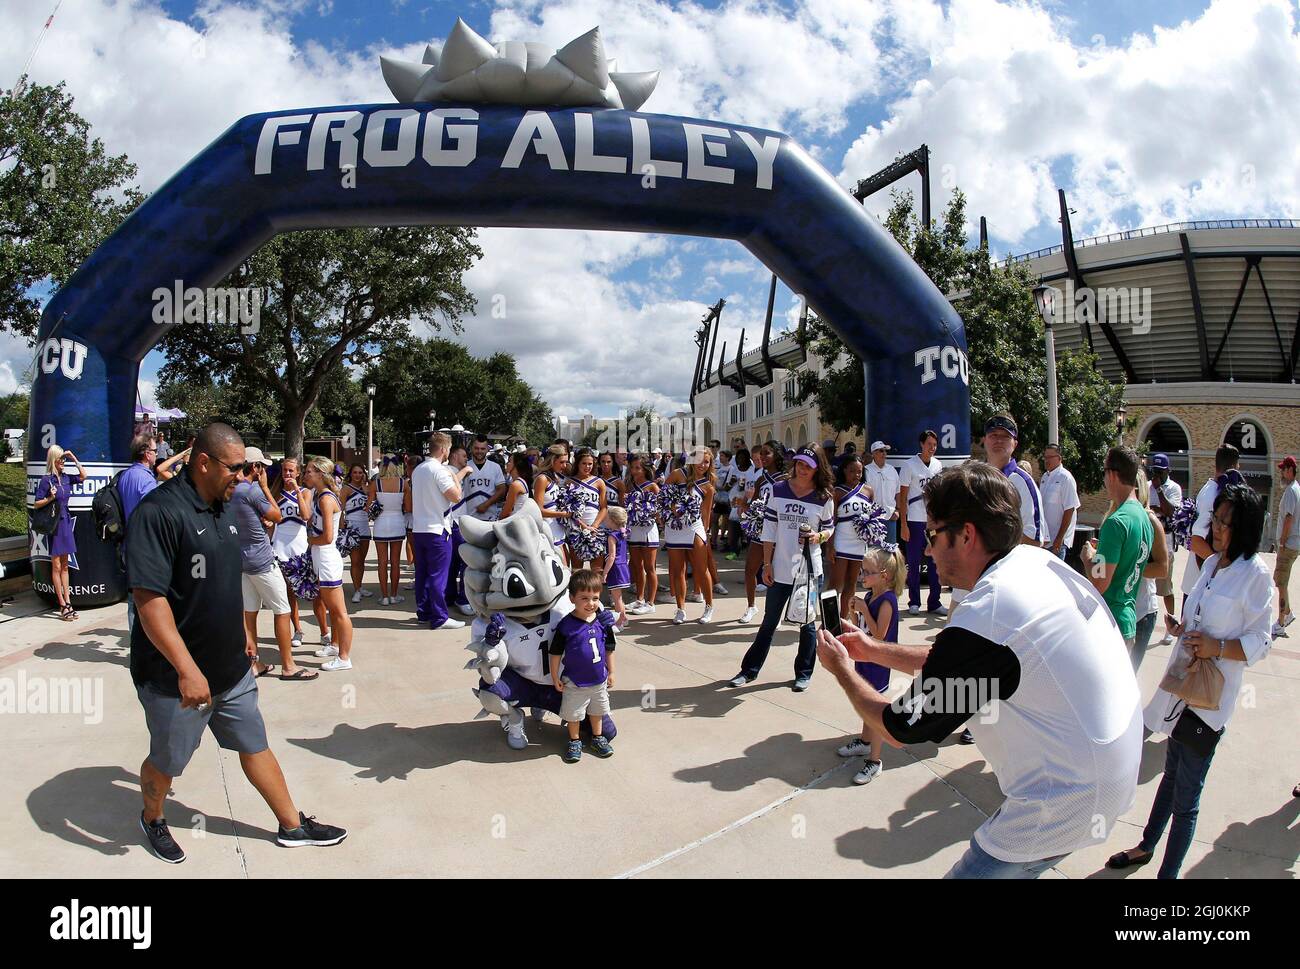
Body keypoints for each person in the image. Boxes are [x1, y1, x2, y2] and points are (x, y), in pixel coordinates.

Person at [816, 462, 1142, 878]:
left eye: (933, 534)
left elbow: (900, 730)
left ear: (966, 535)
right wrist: (873, 651)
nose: (928, 549)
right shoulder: (1031, 564)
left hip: (1067, 797)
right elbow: (964, 662)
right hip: (1108, 769)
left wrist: (843, 669)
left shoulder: (990, 611)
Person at [127, 423, 345, 863]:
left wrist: (246, 643)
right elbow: (150, 603)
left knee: (254, 744)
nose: (243, 475)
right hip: (177, 680)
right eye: (236, 467)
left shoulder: (228, 507)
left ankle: (292, 826)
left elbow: (227, 588)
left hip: (232, 669)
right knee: (168, 762)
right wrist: (187, 670)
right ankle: (152, 817)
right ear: (204, 462)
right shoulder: (159, 513)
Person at [1108, 484, 1273, 879]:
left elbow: (1262, 640)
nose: (1216, 528)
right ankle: (1146, 845)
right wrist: (1184, 628)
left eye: (1226, 523)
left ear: (1246, 527)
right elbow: (1201, 615)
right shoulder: (1213, 564)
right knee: (1170, 773)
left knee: (1187, 797)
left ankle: (1169, 874)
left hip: (1210, 700)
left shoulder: (1256, 575)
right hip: (1182, 685)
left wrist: (1217, 646)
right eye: (1215, 519)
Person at [729, 445, 835, 692]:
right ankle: (749, 670)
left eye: (808, 466)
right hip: (780, 568)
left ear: (818, 468)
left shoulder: (824, 497)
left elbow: (829, 530)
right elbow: (769, 530)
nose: (803, 469)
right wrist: (767, 564)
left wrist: (817, 537)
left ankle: (803, 673)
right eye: (799, 464)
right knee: (769, 622)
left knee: (807, 624)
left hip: (809, 571)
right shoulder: (778, 490)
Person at [233, 450, 316, 681]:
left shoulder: (231, 490)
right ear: (256, 467)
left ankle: (253, 663)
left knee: (249, 613)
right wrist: (266, 488)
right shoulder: (253, 491)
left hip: (242, 559)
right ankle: (288, 666)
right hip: (261, 559)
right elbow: (277, 515)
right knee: (282, 610)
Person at [836, 544, 905, 785]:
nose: (862, 576)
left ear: (884, 575)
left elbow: (879, 636)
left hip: (878, 662)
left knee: (876, 713)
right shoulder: (869, 596)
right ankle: (864, 744)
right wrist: (855, 613)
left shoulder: (887, 601)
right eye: (863, 571)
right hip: (865, 659)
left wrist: (864, 609)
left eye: (867, 572)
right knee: (865, 704)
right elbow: (862, 628)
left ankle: (875, 761)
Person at [1082, 446, 1153, 655]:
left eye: (1104, 472)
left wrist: (1088, 558)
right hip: (1128, 619)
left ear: (1112, 474)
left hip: (1110, 621)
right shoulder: (1142, 515)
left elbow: (1099, 583)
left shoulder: (1115, 522)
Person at [549, 569, 616, 763]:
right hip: (575, 681)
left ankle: (597, 737)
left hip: (599, 680)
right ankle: (574, 740)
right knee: (574, 714)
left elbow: (609, 649)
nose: (591, 603)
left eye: (595, 598)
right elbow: (555, 654)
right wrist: (555, 677)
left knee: (598, 712)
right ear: (572, 598)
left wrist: (611, 671)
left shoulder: (602, 623)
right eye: (584, 598)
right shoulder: (566, 626)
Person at [411, 432, 472, 630]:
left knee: (422, 574)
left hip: (419, 528)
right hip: (437, 529)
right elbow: (456, 496)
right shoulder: (440, 470)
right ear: (445, 450)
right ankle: (439, 617)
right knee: (439, 576)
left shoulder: (418, 469)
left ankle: (424, 612)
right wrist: (456, 477)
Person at [270, 458, 330, 651]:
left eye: (291, 471)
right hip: (281, 547)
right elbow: (270, 520)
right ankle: (298, 630)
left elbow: (305, 516)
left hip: (301, 547)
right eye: (285, 471)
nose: (287, 474)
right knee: (289, 594)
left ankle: (324, 632)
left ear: (298, 473)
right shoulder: (275, 494)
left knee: (315, 593)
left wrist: (296, 490)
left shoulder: (306, 492)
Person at [302, 455, 355, 671]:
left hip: (326, 555)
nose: (305, 474)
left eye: (309, 471)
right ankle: (334, 645)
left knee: (339, 610)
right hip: (321, 556)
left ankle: (344, 657)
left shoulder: (325, 498)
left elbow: (328, 536)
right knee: (331, 609)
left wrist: (309, 540)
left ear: (320, 474)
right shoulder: (319, 495)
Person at [1182, 444, 1240, 606]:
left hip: (1199, 584)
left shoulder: (1209, 489)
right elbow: (1196, 541)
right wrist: (1223, 571)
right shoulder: (1214, 495)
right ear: (1235, 467)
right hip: (1200, 587)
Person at [33, 444, 87, 621]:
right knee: (56, 565)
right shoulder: (46, 480)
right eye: (60, 459)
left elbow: (84, 476)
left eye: (64, 459)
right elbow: (37, 503)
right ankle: (62, 604)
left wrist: (74, 458)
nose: (63, 462)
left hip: (66, 522)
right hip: (55, 524)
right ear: (53, 460)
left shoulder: (65, 478)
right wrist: (51, 497)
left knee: (65, 565)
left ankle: (69, 602)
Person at [662, 446, 715, 624]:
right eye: (699, 460)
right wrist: (672, 508)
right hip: (675, 526)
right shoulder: (678, 474)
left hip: (694, 527)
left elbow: (706, 514)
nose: (702, 465)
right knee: (678, 570)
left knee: (701, 569)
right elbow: (663, 497)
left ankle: (709, 607)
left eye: (706, 462)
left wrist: (706, 535)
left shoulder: (708, 487)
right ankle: (680, 609)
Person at [897, 430, 945, 616]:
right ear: (921, 444)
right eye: (929, 444)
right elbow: (903, 498)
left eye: (934, 445)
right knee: (914, 562)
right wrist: (903, 524)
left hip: (932, 521)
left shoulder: (938, 465)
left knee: (935, 560)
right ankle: (914, 601)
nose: (932, 448)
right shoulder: (909, 465)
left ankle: (934, 601)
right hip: (914, 520)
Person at [120, 432, 164, 633]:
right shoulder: (146, 480)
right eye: (154, 451)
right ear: (146, 454)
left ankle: (134, 641)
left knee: (133, 599)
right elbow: (153, 515)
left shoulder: (126, 475)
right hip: (146, 547)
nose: (156, 454)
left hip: (129, 543)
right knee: (150, 600)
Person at [981, 414, 1045, 546]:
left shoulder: (1022, 482)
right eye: (993, 435)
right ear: (984, 440)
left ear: (1014, 444)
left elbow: (1035, 540)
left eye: (1005, 436)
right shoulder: (975, 480)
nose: (999, 440)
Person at [1129, 470, 1171, 671]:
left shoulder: (1150, 521)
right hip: (1123, 608)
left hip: (1142, 612)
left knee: (1128, 675)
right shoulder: (1118, 516)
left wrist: (1129, 565)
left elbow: (1163, 568)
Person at [829, 452, 875, 624]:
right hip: (841, 542)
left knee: (851, 583)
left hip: (858, 544)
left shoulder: (869, 491)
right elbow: (831, 521)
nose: (856, 475)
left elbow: (872, 517)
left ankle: (843, 618)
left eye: (859, 471)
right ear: (844, 471)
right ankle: (830, 618)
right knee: (835, 584)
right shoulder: (837, 492)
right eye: (852, 471)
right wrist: (830, 546)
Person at [1147, 453, 1183, 643]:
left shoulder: (1173, 488)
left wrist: (1160, 491)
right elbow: (1146, 508)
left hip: (1166, 542)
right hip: (1148, 539)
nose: (1157, 475)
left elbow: (1170, 512)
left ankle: (1171, 625)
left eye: (1161, 472)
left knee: (1165, 586)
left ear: (1168, 471)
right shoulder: (1146, 486)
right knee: (1145, 582)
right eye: (1155, 471)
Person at [624, 453, 661, 615]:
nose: (634, 471)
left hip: (648, 530)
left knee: (649, 567)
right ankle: (639, 599)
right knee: (636, 566)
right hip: (634, 530)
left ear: (645, 469)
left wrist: (653, 514)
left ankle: (651, 602)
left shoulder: (652, 486)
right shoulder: (629, 486)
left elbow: (661, 508)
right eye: (632, 468)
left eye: (638, 468)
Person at [367, 455, 407, 605]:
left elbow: (368, 507)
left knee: (382, 562)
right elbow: (408, 507)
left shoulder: (375, 483)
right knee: (395, 562)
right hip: (397, 522)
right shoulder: (404, 484)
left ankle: (384, 596)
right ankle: (394, 595)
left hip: (381, 524)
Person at [443, 444, 475, 617]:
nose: (466, 459)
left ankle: (452, 596)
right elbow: (450, 482)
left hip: (459, 521)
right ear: (454, 455)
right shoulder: (447, 470)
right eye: (463, 456)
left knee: (457, 562)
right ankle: (461, 598)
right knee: (464, 561)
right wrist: (465, 470)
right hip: (453, 522)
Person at [1272, 455, 1299, 637]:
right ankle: (1287, 614)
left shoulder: (1291, 491)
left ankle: (1281, 623)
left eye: (1283, 469)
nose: (1281, 472)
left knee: (1281, 583)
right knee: (1279, 579)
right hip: (1292, 544)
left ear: (1290, 470)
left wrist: (1282, 542)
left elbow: (1289, 518)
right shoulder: (1296, 489)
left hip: (1288, 545)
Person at [1040, 443, 1081, 561]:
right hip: (1045, 540)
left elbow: (1070, 509)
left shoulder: (1066, 478)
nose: (1046, 460)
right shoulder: (1044, 477)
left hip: (1057, 542)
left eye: (1050, 457)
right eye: (1045, 457)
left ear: (1059, 458)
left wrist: (1059, 538)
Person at [534, 444, 574, 559]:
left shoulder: (555, 477)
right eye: (562, 462)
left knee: (565, 567)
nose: (565, 466)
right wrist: (563, 514)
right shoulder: (542, 479)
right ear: (552, 460)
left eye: (566, 462)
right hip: (548, 528)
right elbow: (539, 510)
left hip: (557, 528)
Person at [862, 441, 899, 546]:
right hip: (873, 519)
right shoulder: (866, 471)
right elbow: (864, 495)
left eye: (885, 451)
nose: (884, 453)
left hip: (890, 517)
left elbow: (898, 492)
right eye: (881, 451)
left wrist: (898, 510)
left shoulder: (892, 470)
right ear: (873, 453)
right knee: (874, 552)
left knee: (890, 552)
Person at [602, 505, 632, 629]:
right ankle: (624, 618)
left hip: (615, 568)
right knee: (618, 596)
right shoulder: (623, 533)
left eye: (607, 518)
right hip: (623, 566)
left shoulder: (612, 536)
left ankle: (619, 623)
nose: (605, 520)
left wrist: (605, 572)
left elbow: (612, 556)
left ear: (613, 520)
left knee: (616, 597)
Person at [499, 450, 533, 519]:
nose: (507, 463)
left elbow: (506, 513)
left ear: (516, 465)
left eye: (509, 461)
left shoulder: (516, 485)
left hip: (515, 523)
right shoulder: (520, 481)